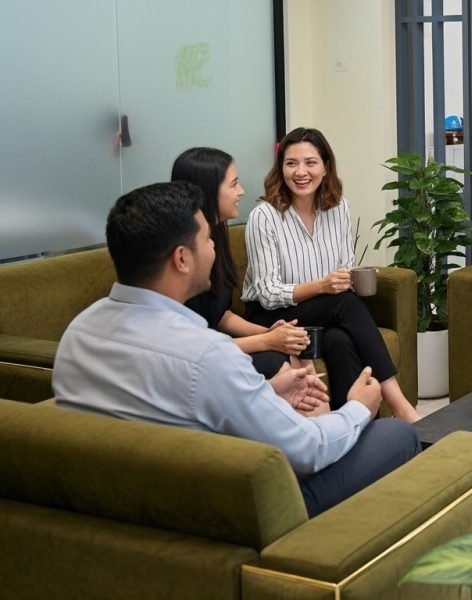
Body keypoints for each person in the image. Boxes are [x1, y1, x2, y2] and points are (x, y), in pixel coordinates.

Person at [52, 181, 420, 517]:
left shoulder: (79, 334)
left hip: (122, 504)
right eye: (207, 239)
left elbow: (173, 408)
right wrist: (358, 407)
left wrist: (265, 392)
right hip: (227, 513)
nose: (215, 247)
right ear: (181, 259)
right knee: (395, 435)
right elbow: (309, 450)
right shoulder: (206, 354)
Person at [241, 127, 421, 422]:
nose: (301, 172)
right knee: (344, 304)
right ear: (280, 169)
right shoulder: (265, 216)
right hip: (271, 316)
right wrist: (322, 285)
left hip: (324, 313)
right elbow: (268, 293)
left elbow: (345, 265)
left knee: (340, 340)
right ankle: (401, 406)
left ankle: (356, 426)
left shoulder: (339, 208)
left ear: (325, 167)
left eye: (310, 163)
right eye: (291, 163)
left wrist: (347, 280)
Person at [171, 147, 312, 381]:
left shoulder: (216, 235)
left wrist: (272, 333)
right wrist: (266, 340)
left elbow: (219, 315)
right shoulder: (185, 253)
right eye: (234, 184)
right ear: (208, 191)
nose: (241, 191)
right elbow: (193, 346)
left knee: (297, 351)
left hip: (216, 344)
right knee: (278, 362)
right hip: (198, 357)